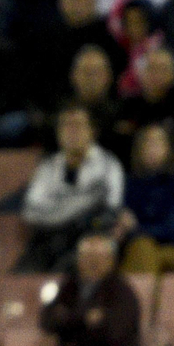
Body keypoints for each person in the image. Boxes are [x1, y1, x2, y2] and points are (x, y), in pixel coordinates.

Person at [18, 105, 125, 272]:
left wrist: (58, 209)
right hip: (48, 239)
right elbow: (31, 211)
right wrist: (84, 202)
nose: (72, 131)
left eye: (78, 125)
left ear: (92, 131)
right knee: (23, 274)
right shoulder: (48, 167)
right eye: (66, 125)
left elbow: (111, 208)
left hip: (89, 238)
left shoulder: (108, 165)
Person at [116, 123, 174, 274]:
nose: (152, 148)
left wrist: (137, 229)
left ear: (168, 148)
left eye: (158, 142)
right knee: (143, 249)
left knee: (143, 249)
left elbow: (173, 227)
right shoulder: (131, 183)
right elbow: (124, 221)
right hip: (141, 249)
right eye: (147, 143)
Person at [39, 232, 141, 346]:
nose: (93, 263)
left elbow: (115, 331)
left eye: (99, 258)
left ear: (111, 261)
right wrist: (86, 319)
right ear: (78, 259)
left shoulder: (122, 292)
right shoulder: (67, 287)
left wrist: (69, 320)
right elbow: (48, 321)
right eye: (88, 257)